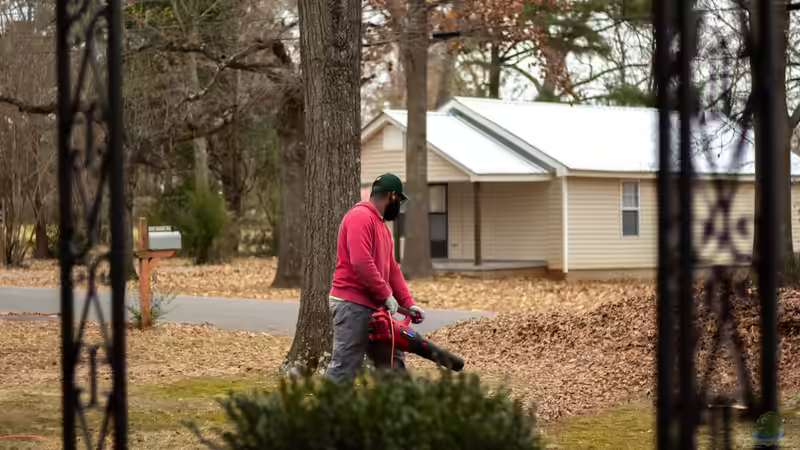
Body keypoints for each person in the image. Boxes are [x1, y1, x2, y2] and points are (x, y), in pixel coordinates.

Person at [325, 173, 426, 383]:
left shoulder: (381, 227)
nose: (399, 206)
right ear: (390, 196)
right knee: (344, 367)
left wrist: (409, 303)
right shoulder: (360, 217)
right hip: (352, 306)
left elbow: (392, 269)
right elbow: (360, 262)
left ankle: (398, 413)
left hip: (376, 308)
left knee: (392, 363)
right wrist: (385, 294)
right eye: (399, 200)